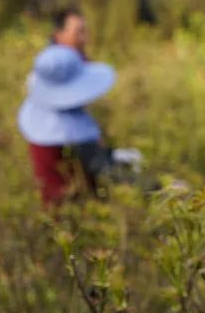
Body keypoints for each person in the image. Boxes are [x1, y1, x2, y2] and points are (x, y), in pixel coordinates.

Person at [18, 45, 139, 206]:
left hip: (50, 204)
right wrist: (158, 186)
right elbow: (102, 168)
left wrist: (111, 154)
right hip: (76, 211)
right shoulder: (71, 132)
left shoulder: (42, 114)